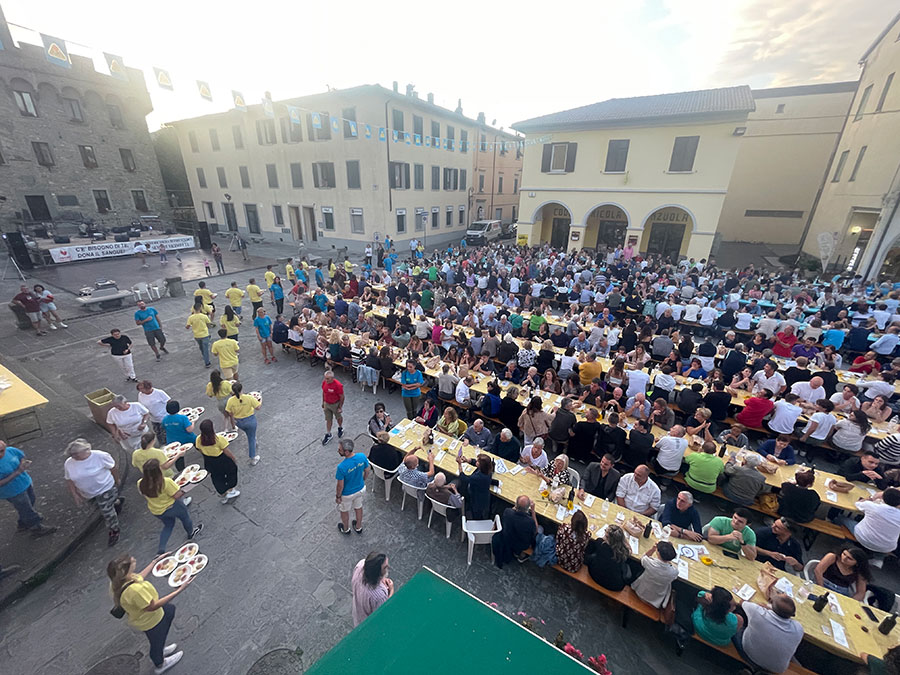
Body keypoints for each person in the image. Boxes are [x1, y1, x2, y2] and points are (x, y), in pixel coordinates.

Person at [107, 553, 191, 674]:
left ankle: (160, 649)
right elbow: (152, 606)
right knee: (158, 639)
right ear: (125, 571)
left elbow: (139, 577)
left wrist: (154, 562)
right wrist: (179, 590)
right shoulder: (136, 590)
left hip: (143, 619)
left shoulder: (118, 582)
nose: (134, 559)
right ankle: (160, 663)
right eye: (131, 562)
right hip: (151, 620)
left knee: (169, 611)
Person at [64, 438, 122, 546]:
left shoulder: (100, 456)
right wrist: (75, 494)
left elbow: (113, 468)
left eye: (76, 454)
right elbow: (69, 479)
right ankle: (115, 502)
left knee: (107, 512)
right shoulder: (69, 463)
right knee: (101, 507)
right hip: (88, 493)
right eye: (72, 455)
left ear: (86, 450)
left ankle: (114, 530)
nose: (73, 457)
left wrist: (116, 480)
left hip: (105, 488)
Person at [137, 459, 202, 555]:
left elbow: (143, 494)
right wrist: (189, 487)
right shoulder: (166, 482)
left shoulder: (140, 483)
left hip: (156, 510)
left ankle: (161, 549)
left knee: (168, 526)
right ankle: (191, 532)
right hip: (173, 506)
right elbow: (177, 495)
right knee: (185, 518)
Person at [734, 593, 804, 675]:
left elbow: (742, 602)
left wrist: (765, 607)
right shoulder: (798, 629)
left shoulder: (757, 612)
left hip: (748, 654)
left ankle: (750, 668)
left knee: (737, 622)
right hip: (776, 668)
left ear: (772, 606)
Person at [0, 440, 56, 537]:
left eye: (2, 450)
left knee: (30, 501)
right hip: (12, 491)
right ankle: (36, 528)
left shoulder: (11, 450)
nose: (0, 454)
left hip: (25, 482)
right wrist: (17, 472)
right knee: (26, 508)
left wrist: (23, 463)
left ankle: (23, 523)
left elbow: (21, 456)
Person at [837, 488, 900, 567]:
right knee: (885, 535)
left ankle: (848, 543)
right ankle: (878, 558)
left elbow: (858, 503)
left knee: (841, 518)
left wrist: (872, 498)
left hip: (863, 538)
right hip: (887, 547)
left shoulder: (872, 506)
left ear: (883, 497)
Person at [194, 420, 240, 504]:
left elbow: (199, 449)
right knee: (232, 471)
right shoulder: (219, 439)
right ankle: (230, 489)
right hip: (221, 459)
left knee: (216, 477)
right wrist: (234, 459)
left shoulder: (198, 439)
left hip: (209, 460)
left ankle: (223, 494)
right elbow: (226, 451)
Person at [335, 438, 370, 535]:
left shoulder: (341, 467)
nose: (338, 451)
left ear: (346, 452)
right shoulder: (362, 456)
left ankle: (346, 529)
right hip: (360, 489)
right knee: (358, 507)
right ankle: (358, 527)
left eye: (340, 450)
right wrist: (363, 479)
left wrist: (338, 496)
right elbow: (367, 470)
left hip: (347, 494)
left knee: (344, 511)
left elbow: (340, 485)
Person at [492, 495, 538, 567]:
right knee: (541, 529)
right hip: (521, 544)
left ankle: (518, 553)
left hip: (507, 538)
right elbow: (536, 530)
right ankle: (521, 555)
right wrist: (533, 511)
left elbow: (513, 509)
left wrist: (517, 505)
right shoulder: (530, 521)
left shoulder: (507, 512)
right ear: (527, 508)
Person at [584, 524, 633, 591]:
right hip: (615, 585)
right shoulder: (623, 551)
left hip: (594, 575)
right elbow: (630, 550)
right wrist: (623, 539)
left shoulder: (600, 542)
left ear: (607, 537)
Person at [631, 541, 678, 609]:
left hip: (641, 592)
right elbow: (674, 571)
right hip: (656, 601)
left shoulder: (649, 563)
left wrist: (652, 549)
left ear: (658, 552)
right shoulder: (674, 572)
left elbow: (643, 557)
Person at [350, 552, 393, 626]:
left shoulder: (360, 565)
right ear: (377, 573)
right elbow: (383, 613)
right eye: (385, 567)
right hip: (368, 623)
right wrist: (391, 590)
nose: (388, 567)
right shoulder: (379, 595)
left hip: (358, 612)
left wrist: (381, 579)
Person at [225, 382, 261, 465]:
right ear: (242, 389)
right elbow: (258, 407)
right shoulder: (249, 397)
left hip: (239, 422)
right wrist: (260, 399)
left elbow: (229, 412)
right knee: (251, 439)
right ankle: (253, 458)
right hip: (250, 421)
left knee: (249, 434)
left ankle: (253, 438)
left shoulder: (230, 400)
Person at [457, 453, 498, 519]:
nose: (476, 461)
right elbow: (474, 462)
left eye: (478, 461)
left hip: (477, 499)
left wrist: (459, 464)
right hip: (484, 494)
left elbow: (464, 478)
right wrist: (467, 460)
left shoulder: (478, 477)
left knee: (476, 514)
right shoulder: (488, 470)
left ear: (481, 466)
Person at [320, 370, 345, 445]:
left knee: (338, 417)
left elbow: (342, 397)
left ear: (332, 378)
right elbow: (324, 392)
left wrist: (340, 407)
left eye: (328, 379)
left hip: (335, 404)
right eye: (325, 378)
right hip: (327, 403)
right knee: (328, 419)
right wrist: (323, 402)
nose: (326, 380)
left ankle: (340, 427)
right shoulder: (324, 382)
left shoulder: (338, 385)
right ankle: (328, 434)